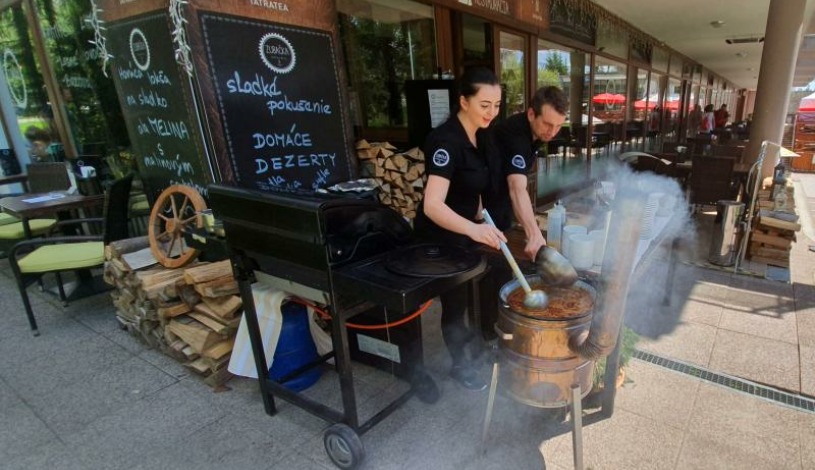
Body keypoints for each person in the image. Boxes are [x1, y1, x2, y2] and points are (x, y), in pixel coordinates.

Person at [414, 67, 505, 391]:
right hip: (439, 236)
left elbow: (471, 184)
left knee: (469, 293)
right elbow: (433, 205)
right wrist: (474, 230)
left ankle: (473, 348)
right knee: (455, 301)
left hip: (466, 230)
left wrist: (482, 216)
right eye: (485, 104)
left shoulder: (479, 136)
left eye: (497, 105)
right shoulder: (445, 141)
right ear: (463, 101)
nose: (492, 113)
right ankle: (460, 364)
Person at [476, 86, 568, 345]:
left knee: (501, 268)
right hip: (482, 206)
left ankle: (497, 325)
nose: (552, 132)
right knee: (491, 268)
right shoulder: (516, 137)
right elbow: (518, 187)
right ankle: (487, 333)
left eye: (558, 126)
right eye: (547, 124)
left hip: (498, 200)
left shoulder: (534, 134)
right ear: (531, 114)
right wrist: (533, 232)